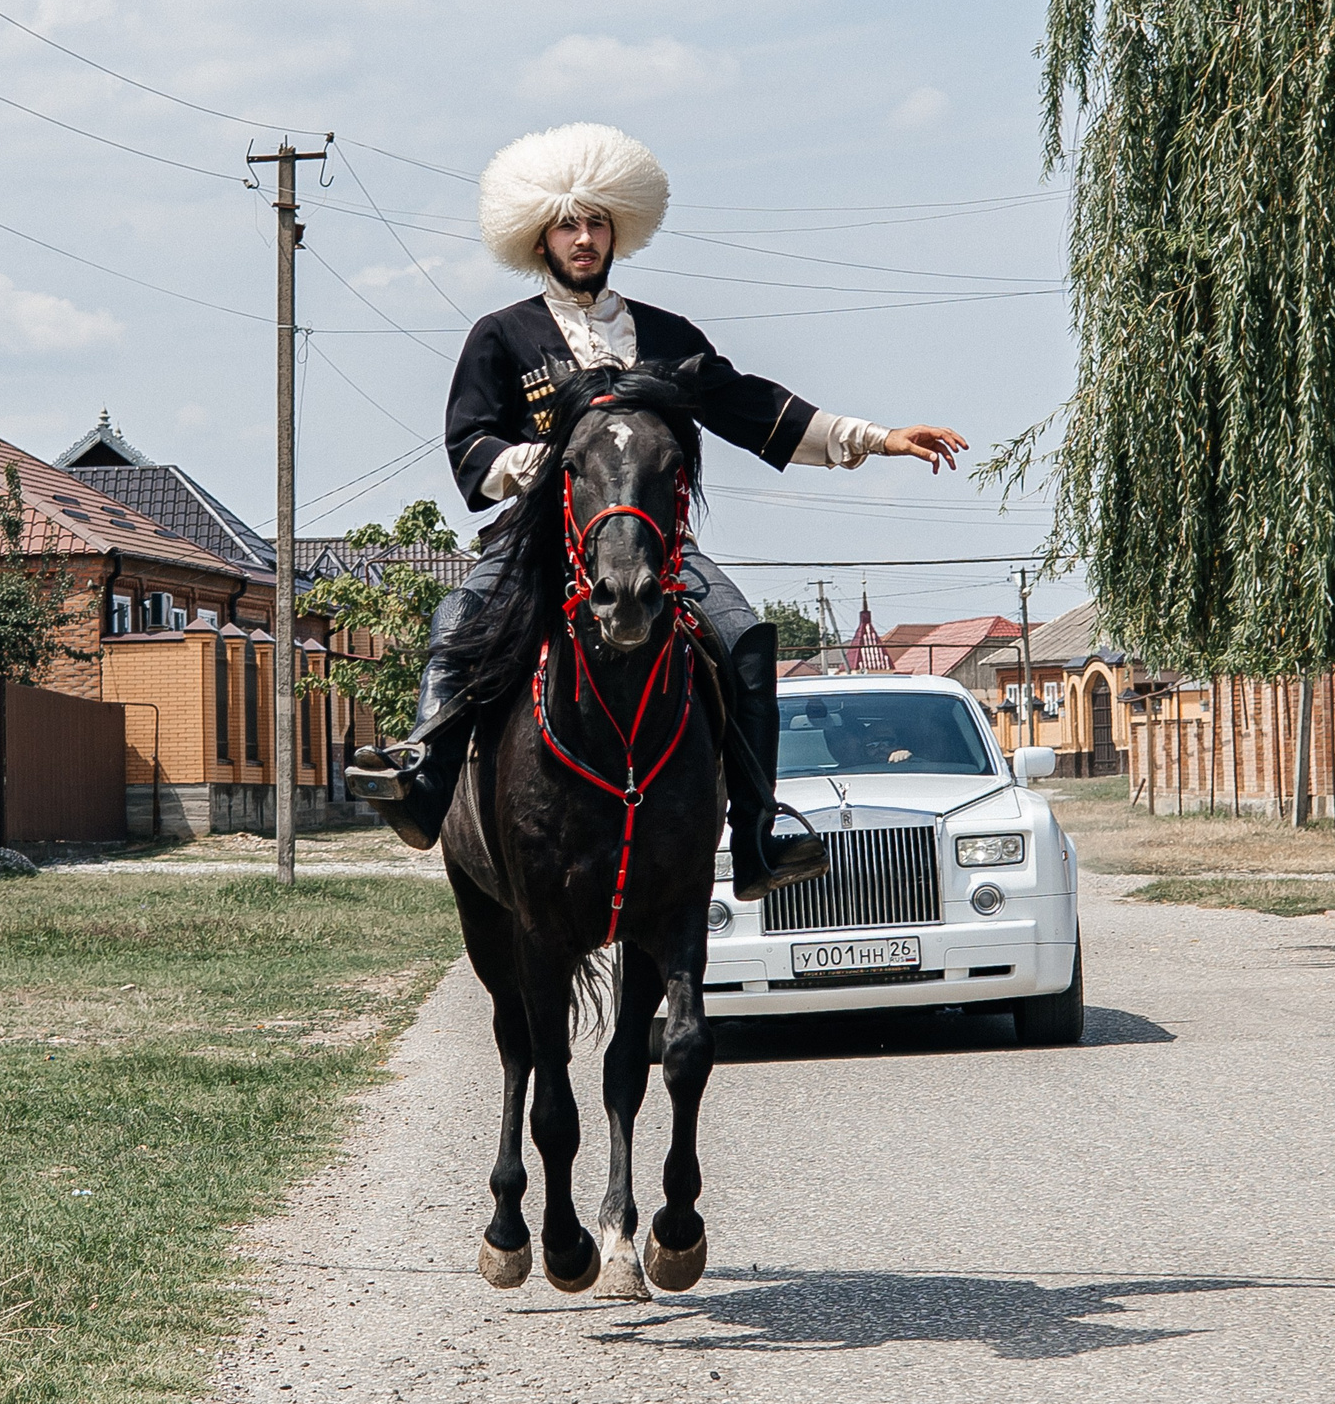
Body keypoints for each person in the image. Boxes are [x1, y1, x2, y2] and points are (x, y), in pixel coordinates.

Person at [349, 121, 965, 897]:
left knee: (745, 638)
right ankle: (426, 782)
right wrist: (532, 464)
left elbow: (757, 410)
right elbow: (469, 441)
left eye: (597, 221)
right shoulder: (500, 336)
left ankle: (756, 833)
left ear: (618, 230)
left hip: (653, 541)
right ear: (538, 235)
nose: (583, 237)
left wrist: (877, 437)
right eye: (568, 223)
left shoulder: (669, 338)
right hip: (540, 536)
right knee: (456, 618)